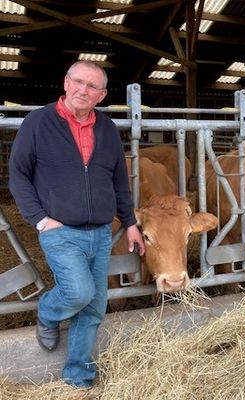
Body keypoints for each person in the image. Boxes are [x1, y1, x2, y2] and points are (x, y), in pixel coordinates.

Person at [8, 61, 145, 389]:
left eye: (92, 86)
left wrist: (130, 223)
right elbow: (18, 174)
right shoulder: (38, 122)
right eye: (79, 82)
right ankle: (48, 312)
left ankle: (78, 377)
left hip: (99, 232)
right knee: (79, 292)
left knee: (94, 308)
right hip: (60, 230)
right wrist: (40, 219)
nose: (84, 90)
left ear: (102, 95)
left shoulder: (107, 128)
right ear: (66, 82)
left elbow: (119, 181)